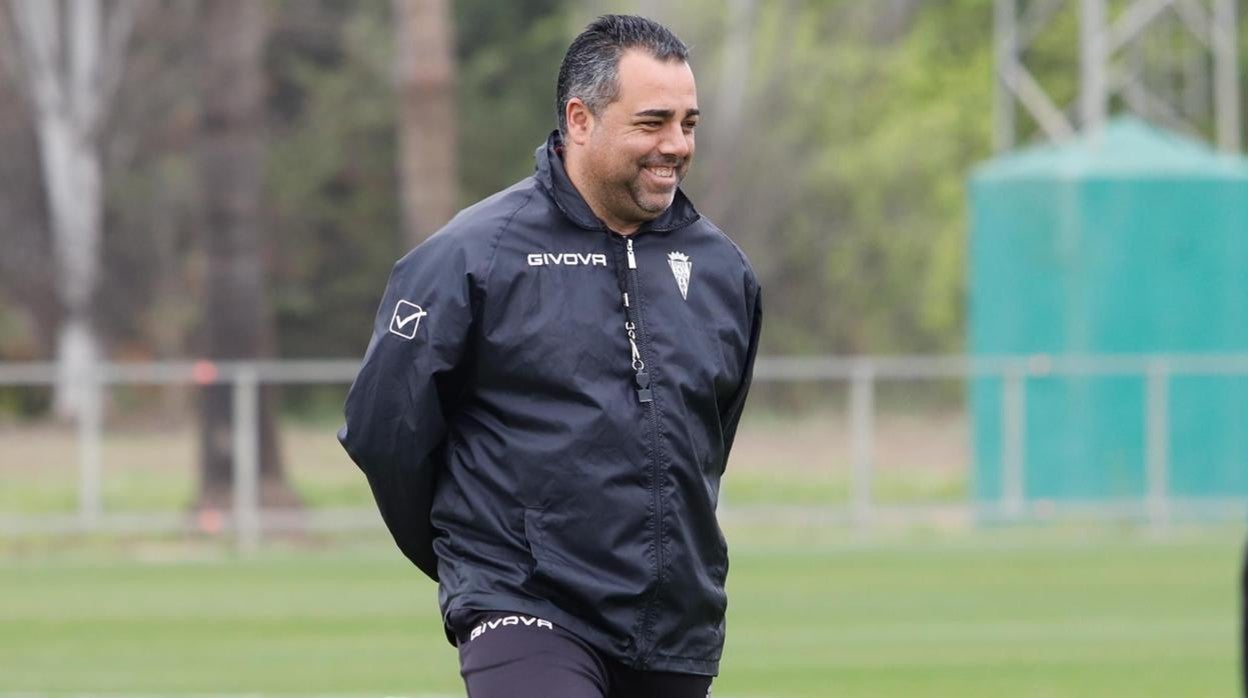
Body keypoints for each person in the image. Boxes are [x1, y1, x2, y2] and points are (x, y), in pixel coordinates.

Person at [339, 14, 761, 698]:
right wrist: (476, 561)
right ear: (581, 119)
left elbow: (707, 439)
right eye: (653, 122)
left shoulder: (722, 270)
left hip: (673, 625)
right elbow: (385, 431)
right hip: (524, 605)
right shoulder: (470, 257)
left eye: (689, 123)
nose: (676, 145)